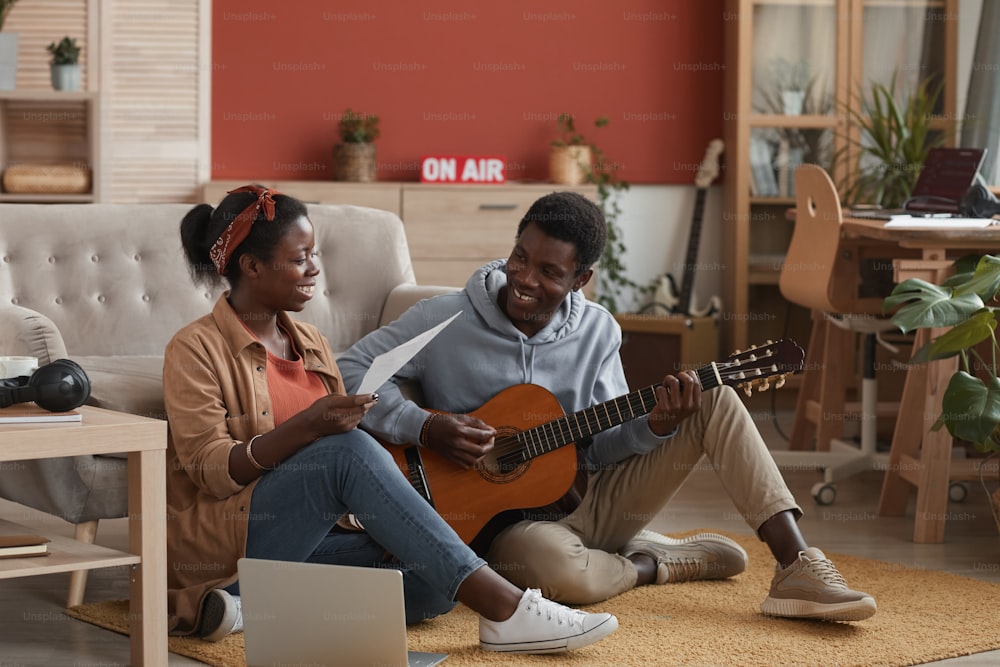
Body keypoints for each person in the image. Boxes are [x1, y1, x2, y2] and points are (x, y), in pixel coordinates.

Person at [338, 191, 877, 622]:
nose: (525, 279)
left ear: (581, 279)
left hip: (590, 497)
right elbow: (346, 370)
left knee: (715, 395)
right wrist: (425, 427)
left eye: (550, 272)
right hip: (505, 529)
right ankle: (654, 562)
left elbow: (604, 447)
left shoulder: (598, 331)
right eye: (521, 258)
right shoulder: (445, 317)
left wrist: (658, 426)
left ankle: (797, 565)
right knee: (552, 574)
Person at [162, 184, 619, 653]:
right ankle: (507, 611)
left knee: (433, 582)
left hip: (319, 536)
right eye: (300, 259)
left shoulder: (312, 343)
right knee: (345, 452)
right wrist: (310, 428)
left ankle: (243, 607)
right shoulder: (194, 349)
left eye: (313, 254)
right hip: (233, 536)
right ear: (252, 266)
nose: (315, 269)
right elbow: (213, 471)